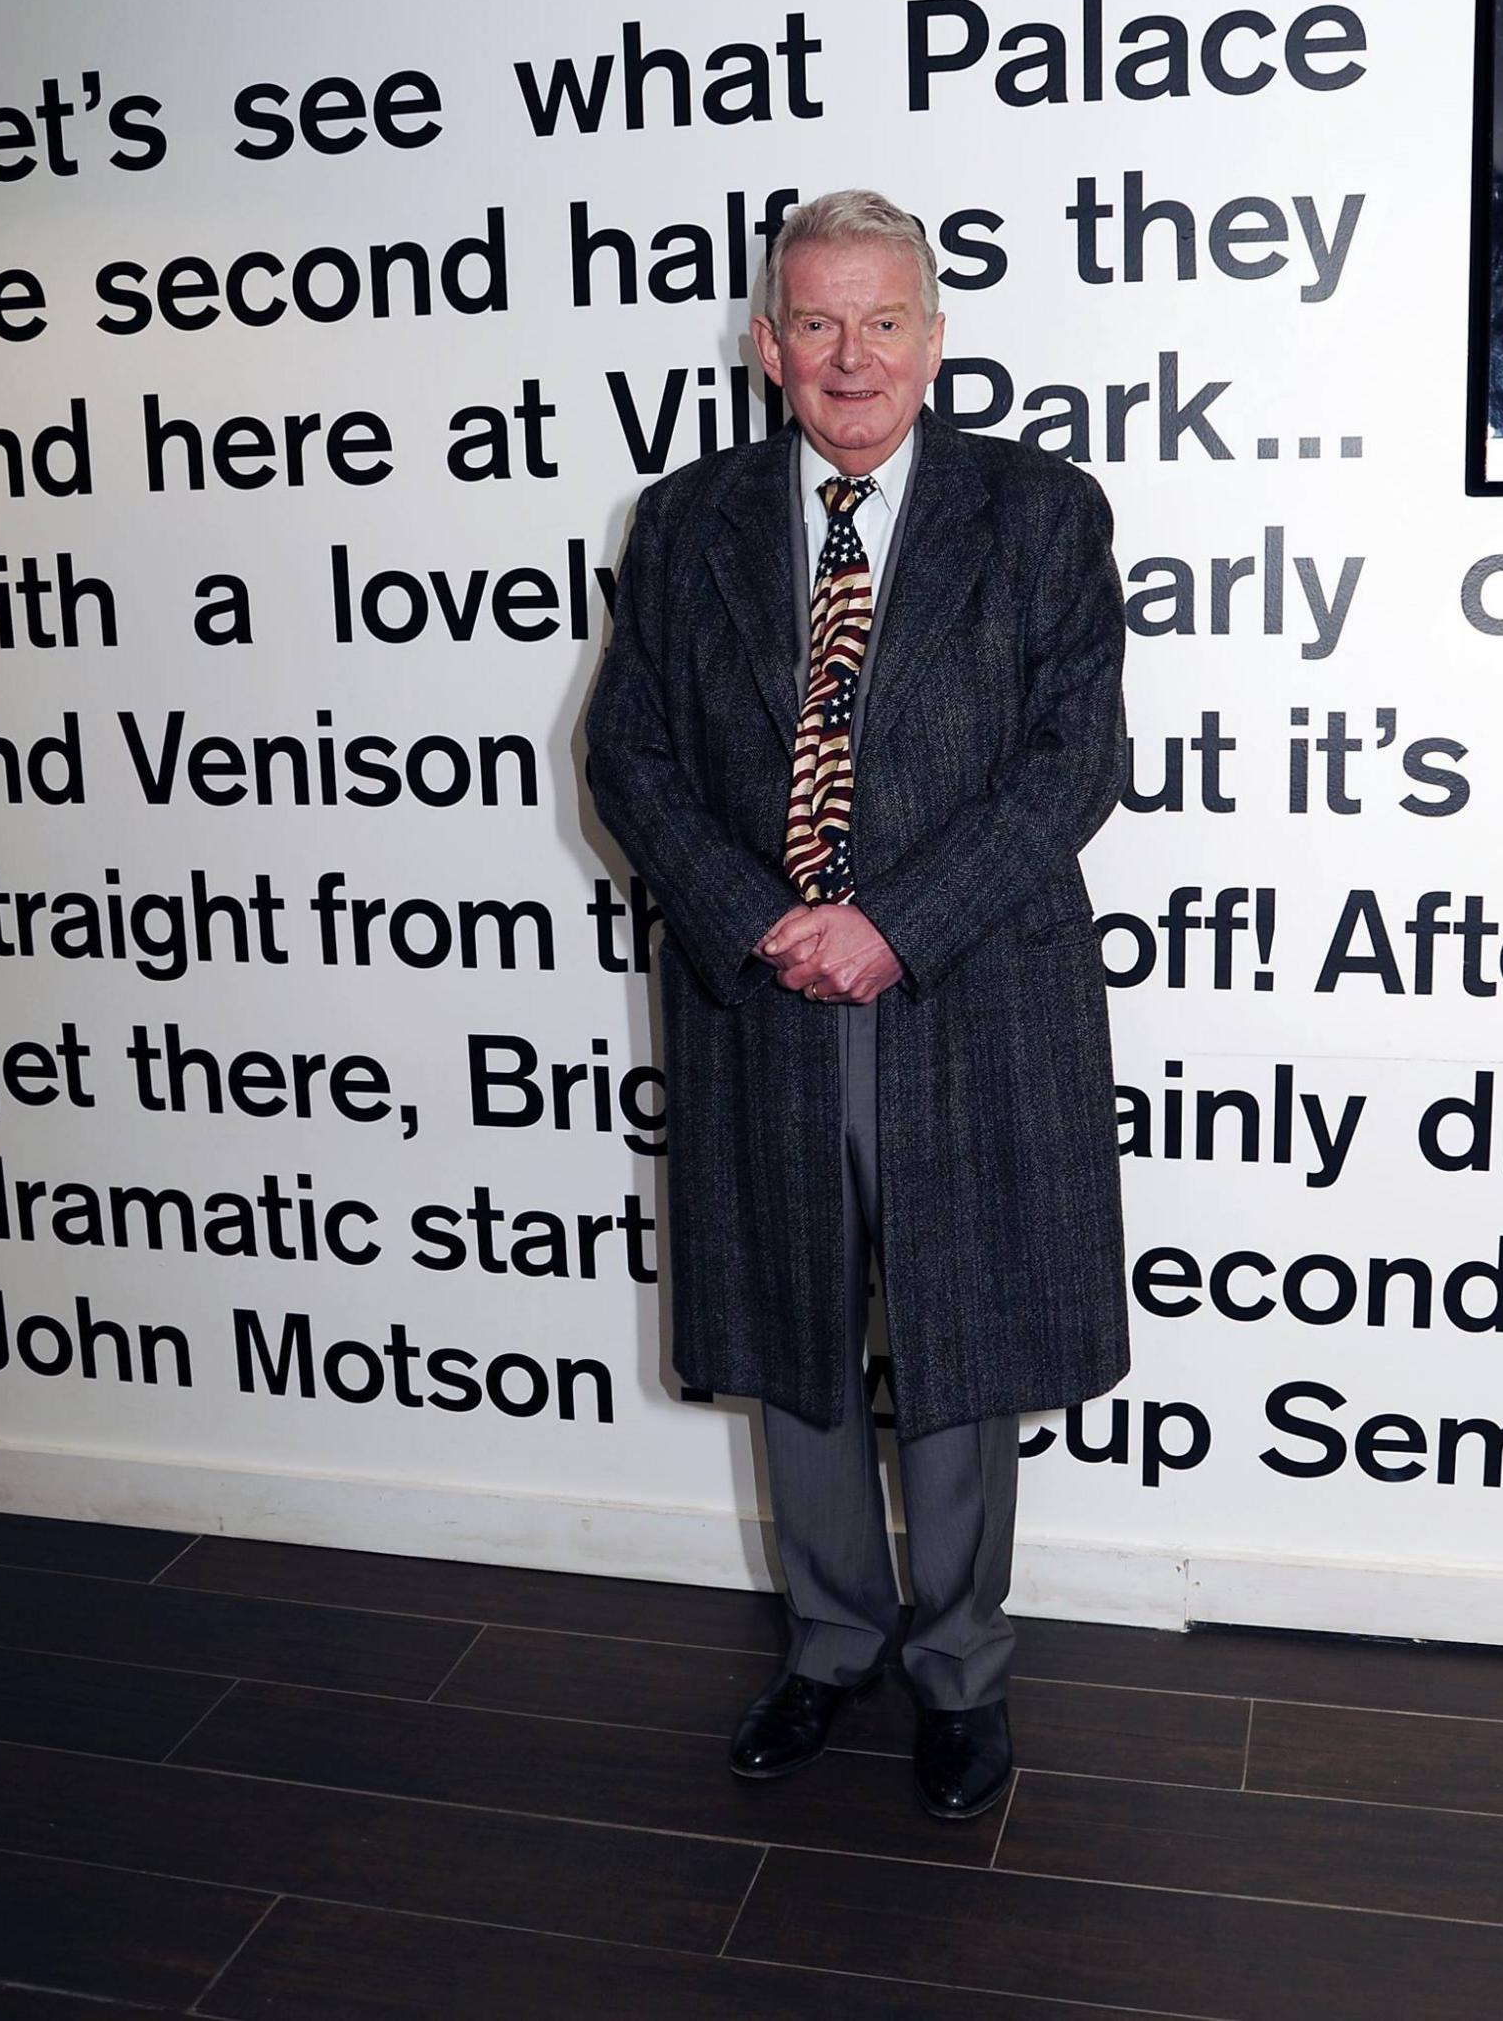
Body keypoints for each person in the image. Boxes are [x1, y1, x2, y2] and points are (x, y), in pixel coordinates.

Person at [583, 187, 1130, 1821]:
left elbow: (1071, 766)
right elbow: (632, 757)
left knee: (959, 1341)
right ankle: (832, 1648)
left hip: (967, 989)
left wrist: (893, 921)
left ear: (935, 338)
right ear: (767, 345)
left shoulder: (1040, 513)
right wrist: (766, 922)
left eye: (883, 320)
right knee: (798, 1330)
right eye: (815, 322)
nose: (850, 355)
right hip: (763, 997)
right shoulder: (684, 523)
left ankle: (961, 1675)